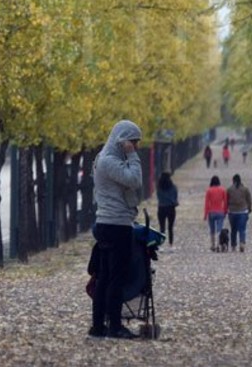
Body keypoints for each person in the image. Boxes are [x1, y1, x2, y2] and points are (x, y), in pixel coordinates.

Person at [89, 120, 144, 340]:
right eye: (133, 142)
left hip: (108, 223)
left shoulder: (106, 159)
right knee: (115, 279)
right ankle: (113, 326)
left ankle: (99, 326)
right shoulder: (109, 161)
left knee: (105, 278)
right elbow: (135, 180)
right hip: (115, 224)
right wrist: (132, 155)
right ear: (122, 140)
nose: (135, 147)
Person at [225, 174, 252, 252]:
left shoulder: (229, 189)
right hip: (243, 211)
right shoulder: (245, 189)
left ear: (233, 180)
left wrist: (226, 209)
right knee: (242, 229)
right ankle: (242, 243)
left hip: (232, 212)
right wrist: (249, 209)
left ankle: (233, 245)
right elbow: (249, 200)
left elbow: (226, 201)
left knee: (233, 230)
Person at [203, 175, 228, 252]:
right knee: (219, 229)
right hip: (220, 211)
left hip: (211, 212)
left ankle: (213, 245)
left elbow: (207, 203)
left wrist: (205, 214)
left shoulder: (209, 190)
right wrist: (225, 211)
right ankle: (218, 244)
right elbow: (225, 202)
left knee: (212, 230)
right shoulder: (223, 190)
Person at [156, 172, 178, 247]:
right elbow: (175, 197)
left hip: (161, 208)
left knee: (162, 228)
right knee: (170, 227)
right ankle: (170, 244)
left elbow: (158, 197)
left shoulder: (159, 187)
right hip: (171, 208)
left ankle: (161, 245)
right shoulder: (173, 187)